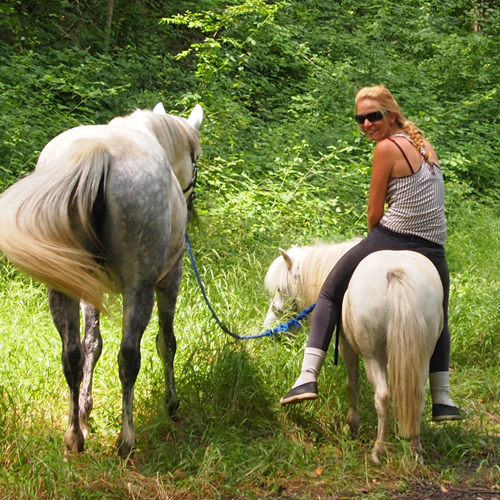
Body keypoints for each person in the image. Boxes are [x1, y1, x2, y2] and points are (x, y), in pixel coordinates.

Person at [280, 84, 463, 422]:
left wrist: (373, 244)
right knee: (439, 314)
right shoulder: (425, 147)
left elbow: (374, 214)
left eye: (373, 117)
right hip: (434, 246)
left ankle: (307, 376)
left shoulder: (386, 149)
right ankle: (442, 397)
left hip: (395, 235)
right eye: (360, 119)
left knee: (330, 292)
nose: (366, 124)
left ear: (391, 116)